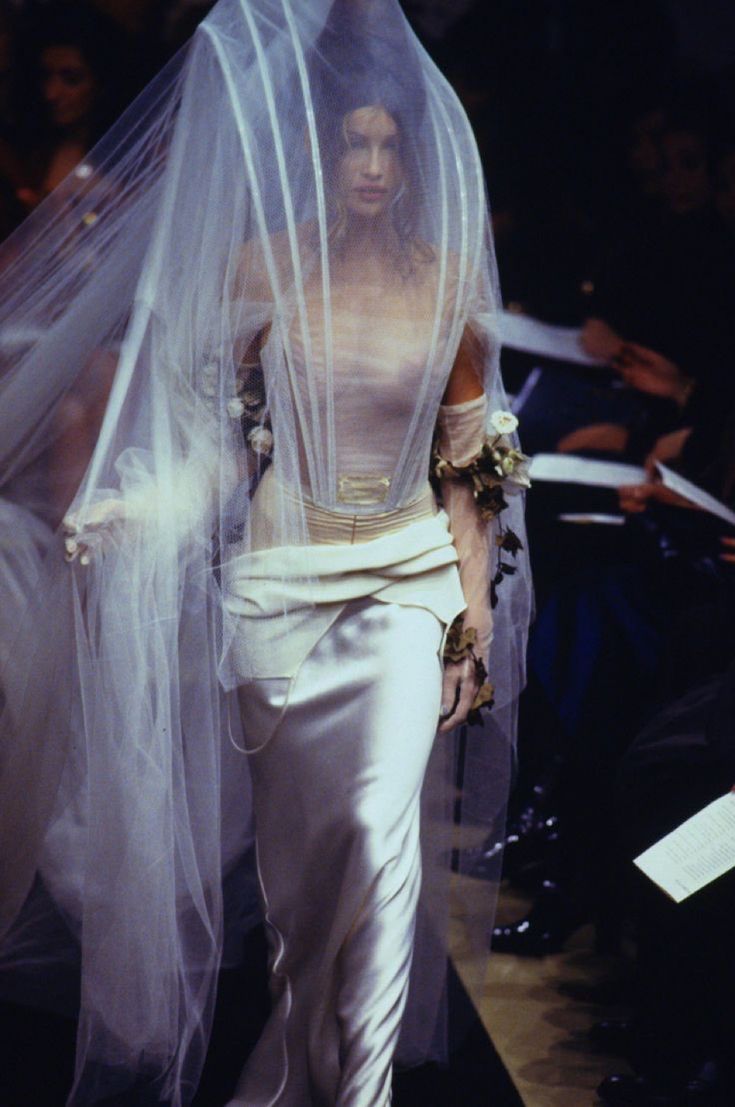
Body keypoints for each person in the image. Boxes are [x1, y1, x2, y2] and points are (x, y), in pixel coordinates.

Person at [0, 2, 530, 1105]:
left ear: (415, 156)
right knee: (301, 905)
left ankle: (361, 1093)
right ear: (323, 151)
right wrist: (138, 512)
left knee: (378, 859)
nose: (375, 163)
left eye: (392, 144)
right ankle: (292, 1079)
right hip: (279, 600)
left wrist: (471, 610)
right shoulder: (261, 274)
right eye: (356, 142)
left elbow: (473, 463)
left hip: (398, 590)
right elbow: (218, 453)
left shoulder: (445, 288)